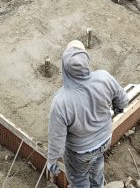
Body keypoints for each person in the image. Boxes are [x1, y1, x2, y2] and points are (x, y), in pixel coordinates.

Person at [46, 40, 128, 188]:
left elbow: (57, 137)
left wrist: (52, 160)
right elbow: (122, 100)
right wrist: (118, 108)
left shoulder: (61, 101)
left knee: (79, 181)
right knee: (96, 170)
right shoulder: (104, 78)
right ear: (87, 61)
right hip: (104, 140)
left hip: (80, 152)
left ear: (64, 68)